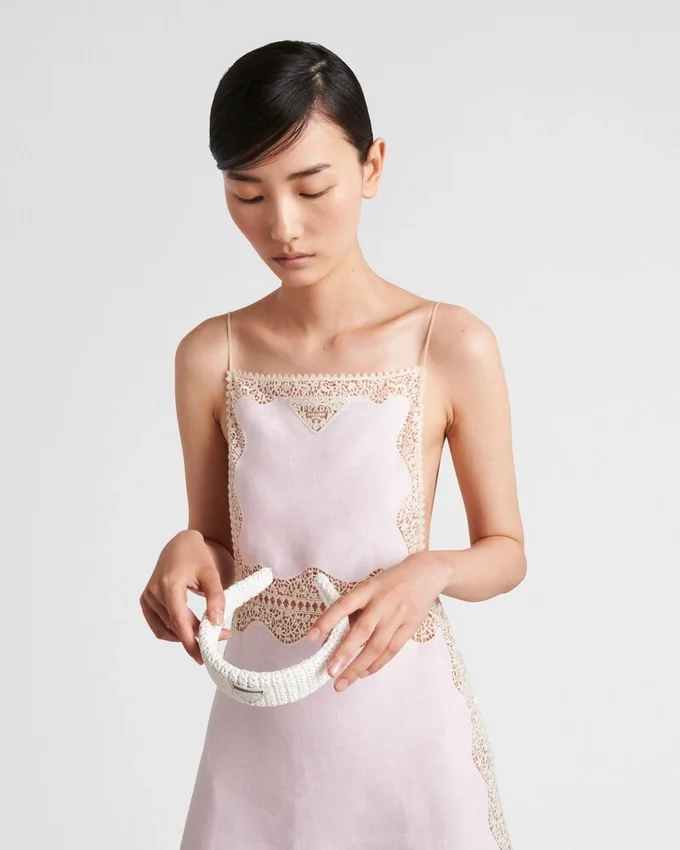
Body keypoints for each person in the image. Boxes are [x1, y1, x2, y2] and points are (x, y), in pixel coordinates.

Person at [140, 39, 526, 850]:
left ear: (372, 166)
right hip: (261, 739)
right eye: (247, 194)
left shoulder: (450, 344)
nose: (282, 226)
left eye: (312, 188)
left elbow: (507, 552)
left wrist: (432, 570)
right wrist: (185, 553)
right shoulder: (211, 356)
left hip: (406, 732)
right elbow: (221, 549)